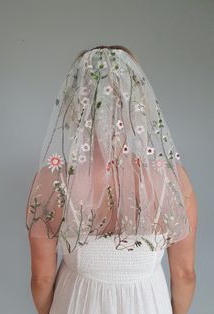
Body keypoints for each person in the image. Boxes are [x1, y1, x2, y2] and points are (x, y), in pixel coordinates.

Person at [25, 45, 198, 314]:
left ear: (76, 102)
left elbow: (42, 278)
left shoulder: (52, 181)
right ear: (137, 102)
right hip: (147, 305)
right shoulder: (171, 179)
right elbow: (185, 274)